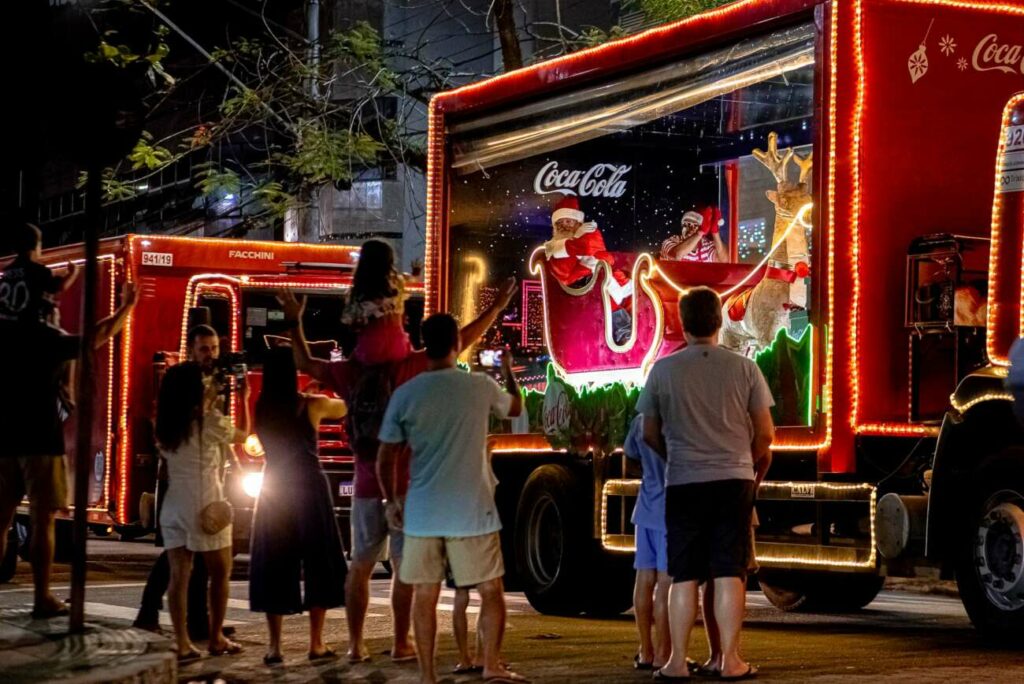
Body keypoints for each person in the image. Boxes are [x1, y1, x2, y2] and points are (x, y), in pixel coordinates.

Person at [280, 274, 516, 665]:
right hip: (406, 485)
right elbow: (465, 341)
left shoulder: (350, 371)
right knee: (406, 568)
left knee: (361, 563)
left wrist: (294, 321)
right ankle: (402, 641)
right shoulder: (410, 368)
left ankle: (356, 645)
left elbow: (304, 362)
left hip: (365, 483)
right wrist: (496, 306)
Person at [376, 314, 526, 684]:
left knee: (424, 594)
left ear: (424, 345)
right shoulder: (478, 386)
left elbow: (385, 456)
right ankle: (491, 664)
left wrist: (391, 500)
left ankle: (428, 674)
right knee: (491, 589)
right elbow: (516, 408)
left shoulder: (406, 394)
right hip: (472, 509)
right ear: (457, 343)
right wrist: (507, 371)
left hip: (423, 510)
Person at [636, 286, 774, 681]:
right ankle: (730, 661)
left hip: (684, 480)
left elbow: (648, 432)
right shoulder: (744, 368)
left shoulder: (664, 371)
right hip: (733, 480)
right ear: (720, 320)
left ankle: (676, 661)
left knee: (684, 574)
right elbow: (765, 433)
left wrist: (677, 455)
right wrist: (743, 459)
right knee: (729, 570)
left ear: (682, 323)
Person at [0, 281, 138, 618]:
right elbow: (95, 338)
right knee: (43, 519)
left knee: (0, 521)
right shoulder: (48, 338)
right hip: (41, 439)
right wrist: (125, 309)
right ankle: (42, 596)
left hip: (4, 438)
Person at [134, 324, 236, 641]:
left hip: (186, 484)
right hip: (197, 486)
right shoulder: (186, 381)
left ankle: (183, 626)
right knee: (205, 564)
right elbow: (230, 429)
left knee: (181, 562)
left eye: (214, 349)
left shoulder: (205, 381)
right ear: (191, 348)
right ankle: (200, 626)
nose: (210, 355)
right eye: (204, 348)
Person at [249, 347, 349, 665]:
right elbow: (343, 408)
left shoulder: (263, 407)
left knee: (274, 562)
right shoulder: (311, 405)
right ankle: (315, 642)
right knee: (318, 561)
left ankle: (275, 647)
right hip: (308, 487)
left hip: (275, 487)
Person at [155, 362, 249, 661]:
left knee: (179, 576)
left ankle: (182, 642)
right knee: (220, 572)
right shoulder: (210, 423)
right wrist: (243, 399)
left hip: (173, 505)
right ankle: (216, 637)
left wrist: (207, 397)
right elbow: (243, 434)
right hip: (206, 505)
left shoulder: (166, 427)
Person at [541, 195, 633, 344]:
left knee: (627, 291)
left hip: (601, 280)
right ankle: (623, 332)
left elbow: (598, 253)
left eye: (569, 221)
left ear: (577, 222)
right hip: (579, 291)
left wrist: (579, 250)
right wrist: (576, 240)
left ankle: (627, 331)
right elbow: (565, 276)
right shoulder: (552, 247)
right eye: (561, 222)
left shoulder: (587, 235)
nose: (565, 225)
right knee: (605, 299)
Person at [624, 414, 671, 672]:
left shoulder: (641, 419)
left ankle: (646, 651)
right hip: (670, 511)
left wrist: (648, 472)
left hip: (645, 508)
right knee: (666, 584)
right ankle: (665, 653)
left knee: (644, 579)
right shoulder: (676, 415)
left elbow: (630, 456)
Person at [341, 239, 413, 366]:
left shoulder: (360, 293)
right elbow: (401, 317)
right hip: (398, 347)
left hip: (371, 348)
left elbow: (353, 325)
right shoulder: (397, 287)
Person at [0, 222, 79, 326]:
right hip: (31, 327)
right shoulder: (39, 271)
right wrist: (73, 273)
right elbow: (58, 287)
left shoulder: (6, 272)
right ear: (36, 245)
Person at [660, 208, 729, 264]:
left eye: (695, 225)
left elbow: (725, 260)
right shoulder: (671, 241)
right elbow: (676, 255)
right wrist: (700, 233)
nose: (690, 229)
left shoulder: (706, 245)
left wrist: (715, 232)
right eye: (686, 225)